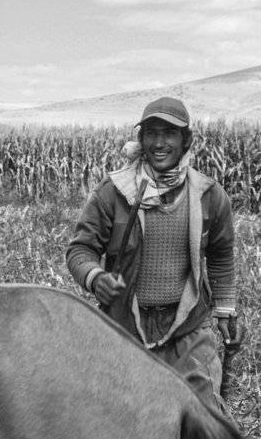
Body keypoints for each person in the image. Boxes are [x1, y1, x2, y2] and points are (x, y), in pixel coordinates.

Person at [64, 97, 238, 408]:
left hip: (188, 330)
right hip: (123, 328)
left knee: (204, 417)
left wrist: (225, 309)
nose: (159, 143)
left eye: (169, 133)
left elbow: (221, 255)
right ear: (141, 139)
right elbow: (81, 249)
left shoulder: (209, 196)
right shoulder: (114, 191)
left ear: (186, 140)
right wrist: (95, 277)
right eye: (152, 133)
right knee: (122, 418)